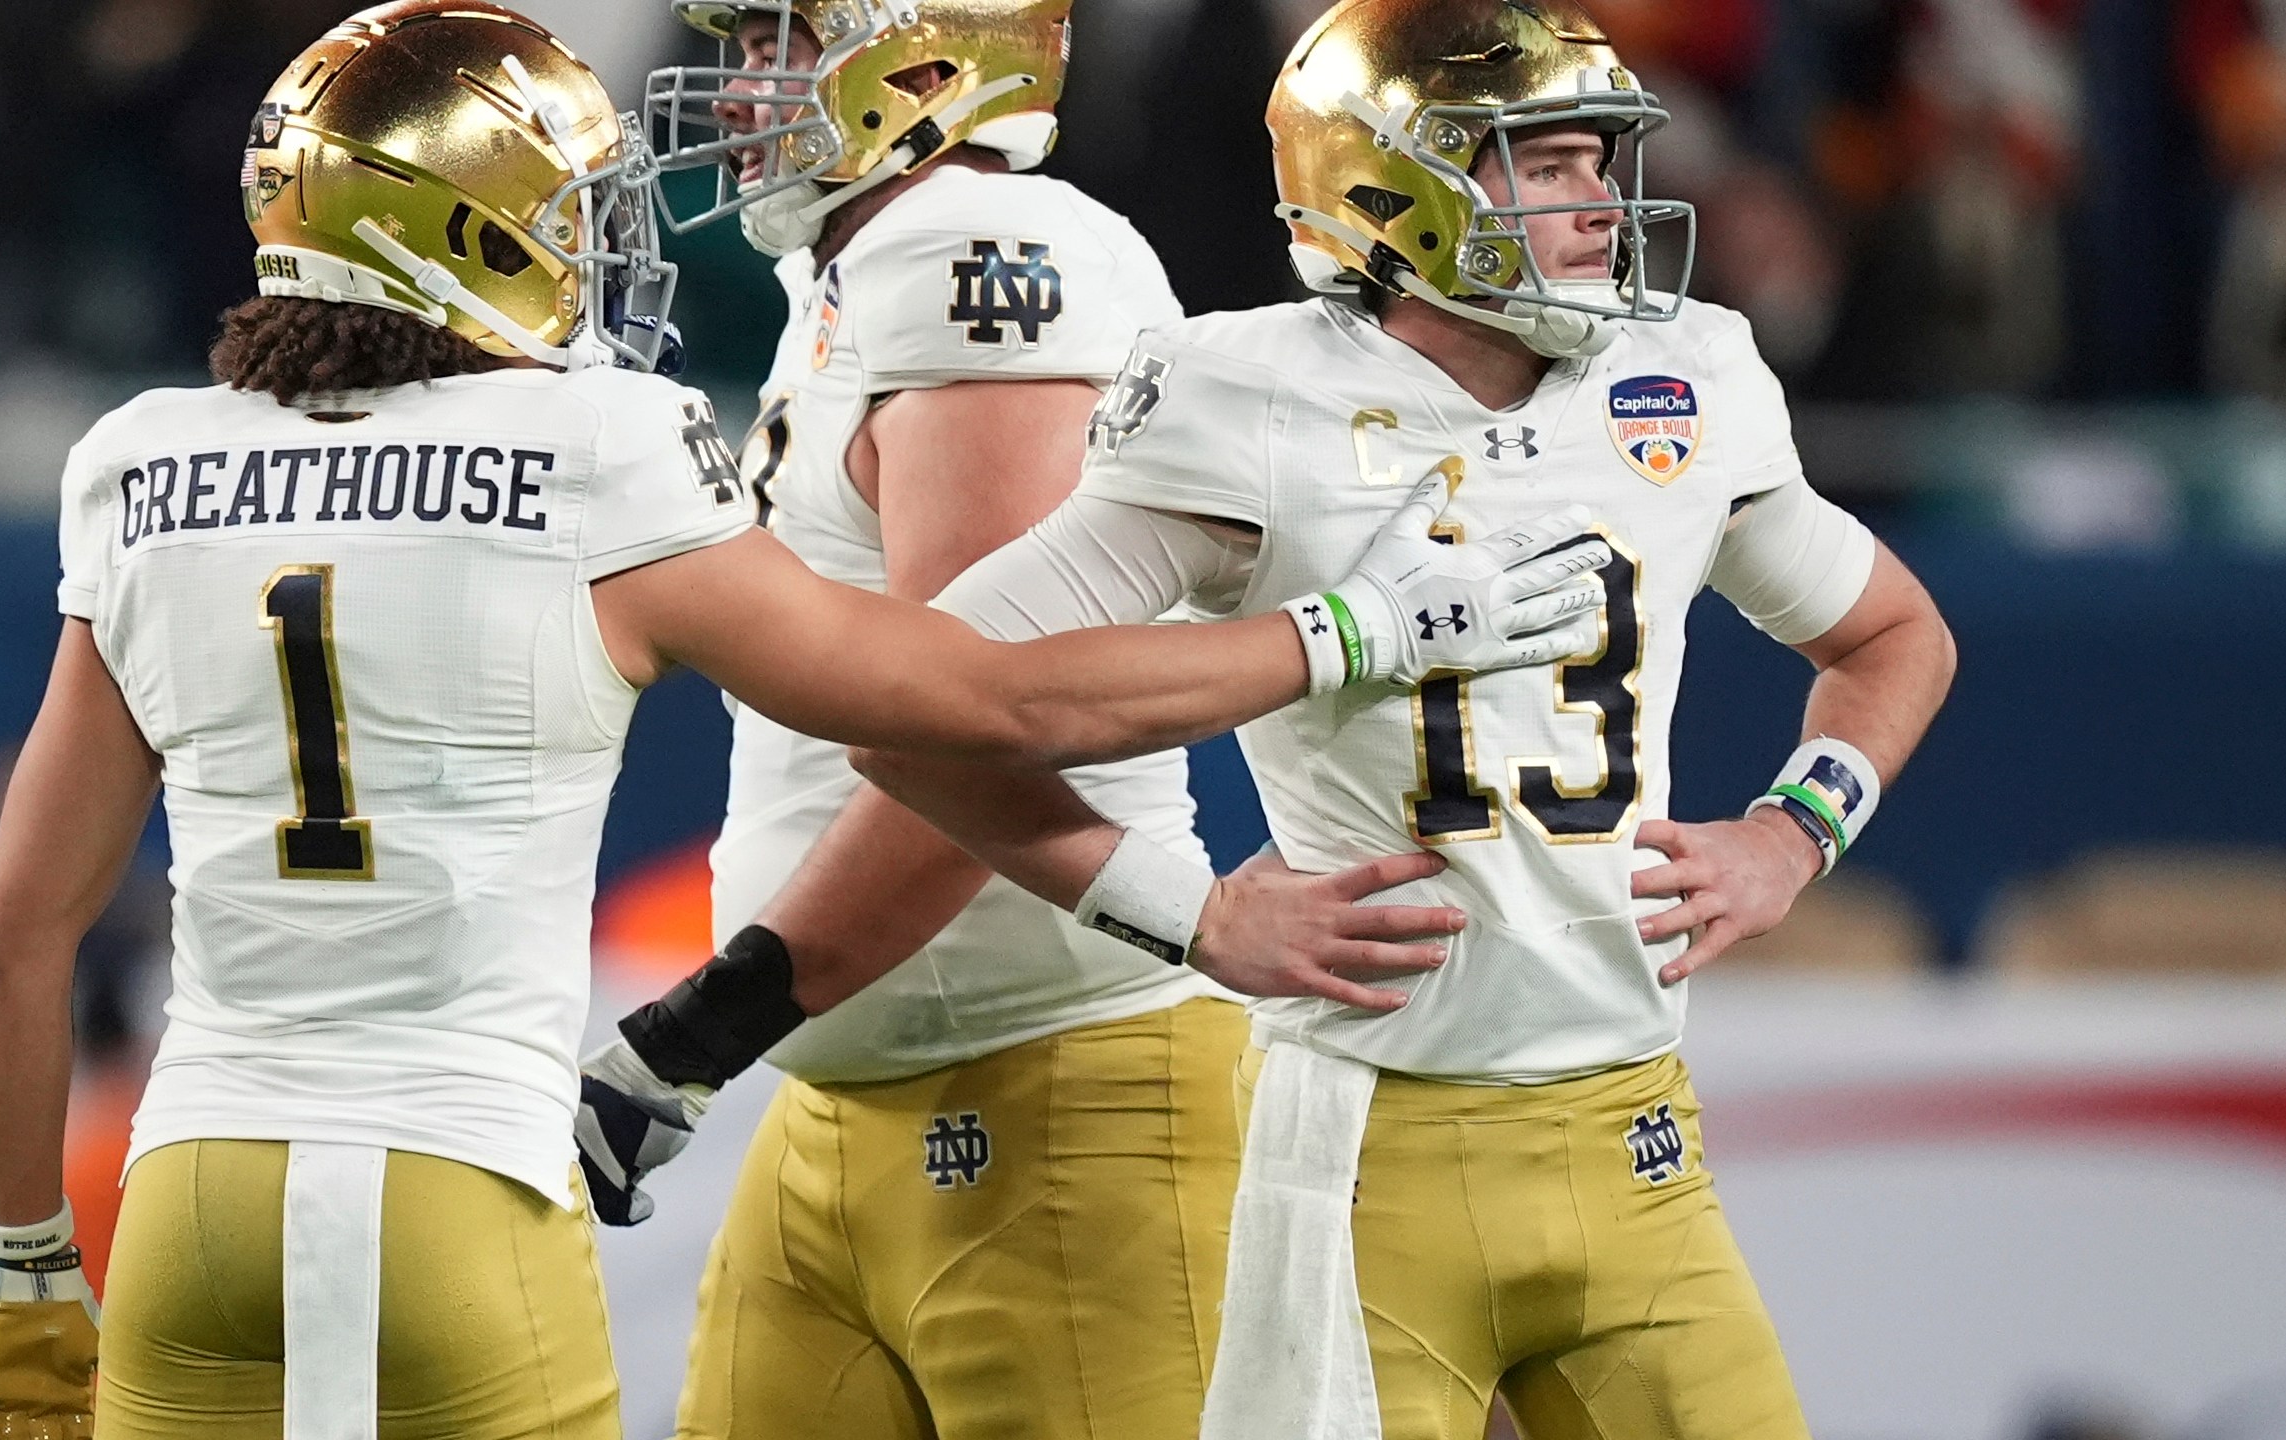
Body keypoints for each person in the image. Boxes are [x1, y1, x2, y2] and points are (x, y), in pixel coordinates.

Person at [0, 3, 1622, 1438]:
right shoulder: (604, 436)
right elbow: (974, 697)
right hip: (630, 1142)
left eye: (778, 41)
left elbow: (6, 940)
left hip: (226, 1185)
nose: (740, 87)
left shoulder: (135, 459)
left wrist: (21, 1265)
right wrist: (1355, 634)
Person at [835, 2, 1959, 1438]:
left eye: (1598, 162)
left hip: (1636, 1138)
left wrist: (1793, 832)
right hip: (1368, 1140)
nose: (1597, 203)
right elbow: (916, 709)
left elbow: (1891, 633)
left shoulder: (1680, 375)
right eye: (1543, 164)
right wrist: (1187, 914)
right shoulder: (1249, 398)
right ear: (1390, 187)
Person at [572, 7, 1603, 1437]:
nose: (744, 86)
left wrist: (695, 1031)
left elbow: (981, 721)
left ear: (923, 62)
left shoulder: (982, 255)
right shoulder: (865, 265)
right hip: (843, 1117)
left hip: (1062, 1104)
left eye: (782, 39)